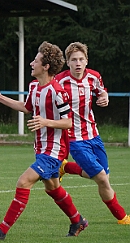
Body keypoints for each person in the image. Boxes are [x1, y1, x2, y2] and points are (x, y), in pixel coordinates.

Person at [0, 41, 88, 241]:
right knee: (53, 188)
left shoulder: (57, 91)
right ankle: (77, 220)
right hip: (41, 148)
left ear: (45, 66)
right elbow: (27, 107)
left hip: (54, 151)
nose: (31, 63)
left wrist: (45, 121)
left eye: (35, 60)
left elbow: (69, 122)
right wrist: (0, 98)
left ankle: (1, 231)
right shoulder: (35, 86)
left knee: (24, 181)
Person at [56, 42, 130, 224]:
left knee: (104, 176)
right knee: (102, 179)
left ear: (86, 61)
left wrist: (105, 98)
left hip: (94, 136)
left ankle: (65, 167)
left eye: (81, 59)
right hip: (74, 139)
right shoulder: (60, 81)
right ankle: (122, 217)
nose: (78, 63)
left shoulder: (94, 77)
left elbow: (102, 92)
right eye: (74, 60)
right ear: (68, 62)